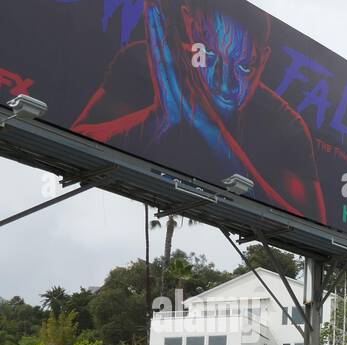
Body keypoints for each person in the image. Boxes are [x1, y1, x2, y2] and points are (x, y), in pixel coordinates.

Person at [73, 0, 326, 222]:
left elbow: (313, 227)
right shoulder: (142, 62)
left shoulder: (286, 125)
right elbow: (75, 139)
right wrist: (156, 120)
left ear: (265, 58)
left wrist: (214, 138)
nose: (225, 84)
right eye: (211, 55)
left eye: (244, 67)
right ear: (189, 22)